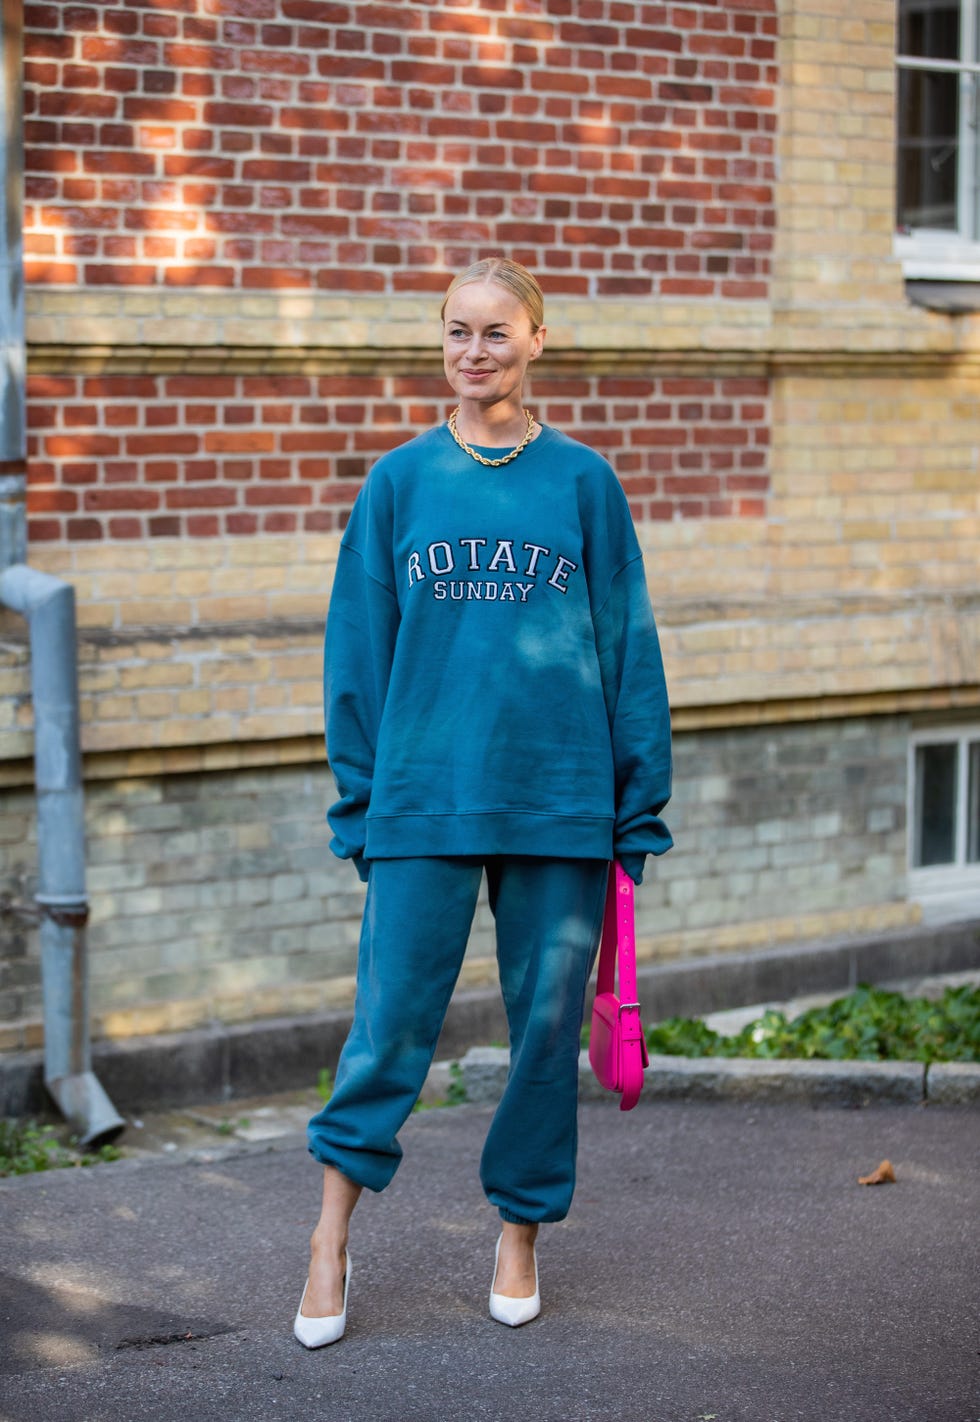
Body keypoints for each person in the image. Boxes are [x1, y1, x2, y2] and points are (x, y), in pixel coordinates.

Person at [294, 257, 672, 1347]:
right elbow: (355, 653)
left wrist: (633, 806)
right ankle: (329, 1238)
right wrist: (361, 800)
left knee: (545, 1034)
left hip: (559, 800)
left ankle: (518, 1230)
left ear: (535, 341)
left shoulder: (582, 484)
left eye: (494, 333)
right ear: (440, 343)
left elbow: (625, 645)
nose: (473, 351)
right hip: (423, 796)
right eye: (456, 332)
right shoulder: (399, 484)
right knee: (388, 1029)